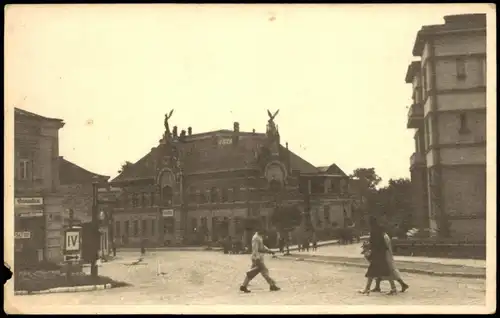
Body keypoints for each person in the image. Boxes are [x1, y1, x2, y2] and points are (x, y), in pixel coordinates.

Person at [359, 217, 398, 296]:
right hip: (382, 253)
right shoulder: (380, 229)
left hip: (377, 254)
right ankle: (393, 288)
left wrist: (368, 249)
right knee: (385, 271)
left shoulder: (374, 231)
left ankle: (367, 289)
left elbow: (374, 243)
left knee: (371, 272)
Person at [239, 228, 281, 293]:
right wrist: (257, 259)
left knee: (252, 273)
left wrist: (269, 250)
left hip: (257, 257)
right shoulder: (256, 238)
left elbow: (262, 246)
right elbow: (255, 249)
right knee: (264, 271)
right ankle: (272, 285)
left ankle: (244, 286)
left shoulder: (259, 237)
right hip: (257, 258)